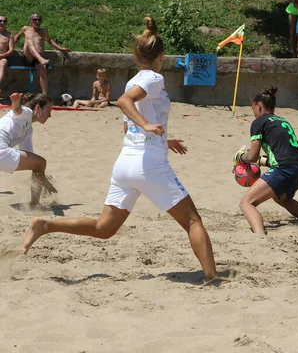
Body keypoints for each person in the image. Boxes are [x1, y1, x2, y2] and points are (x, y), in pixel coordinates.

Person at [22, 17, 223, 285]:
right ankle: (212, 277)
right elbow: (124, 103)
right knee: (193, 222)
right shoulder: (154, 78)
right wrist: (148, 126)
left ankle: (44, 225)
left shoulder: (134, 80)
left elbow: (128, 128)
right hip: (148, 165)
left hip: (126, 163)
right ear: (160, 56)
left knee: (103, 228)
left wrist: (163, 139)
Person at [234, 86, 298, 235]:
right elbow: (276, 157)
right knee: (282, 199)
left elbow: (252, 156)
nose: (254, 113)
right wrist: (260, 162)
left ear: (259, 106)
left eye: (253, 109)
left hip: (284, 169)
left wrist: (239, 157)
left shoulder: (259, 122)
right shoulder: (281, 121)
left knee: (247, 203)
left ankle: (259, 237)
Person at [0, 92, 57, 207]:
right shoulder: (27, 112)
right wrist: (15, 101)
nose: (50, 115)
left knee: (38, 164)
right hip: (1, 151)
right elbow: (17, 109)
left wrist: (43, 178)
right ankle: (34, 204)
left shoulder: (28, 129)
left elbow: (31, 159)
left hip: (2, 152)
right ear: (37, 107)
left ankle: (34, 203)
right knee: (41, 163)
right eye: (48, 109)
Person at [13, 14, 71, 95]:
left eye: (39, 20)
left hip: (39, 58)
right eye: (35, 19)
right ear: (30, 21)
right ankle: (41, 59)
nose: (37, 21)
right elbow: (17, 37)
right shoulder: (25, 29)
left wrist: (60, 48)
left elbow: (49, 41)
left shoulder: (44, 31)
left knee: (43, 69)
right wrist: (10, 48)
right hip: (28, 57)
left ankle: (44, 95)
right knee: (29, 41)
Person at [0, 14, 15, 91]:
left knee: (3, 63)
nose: (2, 22)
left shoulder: (9, 35)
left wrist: (3, 55)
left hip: (2, 58)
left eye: (4, 21)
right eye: (0, 21)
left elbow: (11, 50)